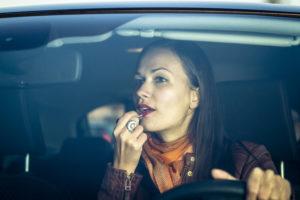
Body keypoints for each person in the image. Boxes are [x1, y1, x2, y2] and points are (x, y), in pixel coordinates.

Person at [98, 40, 292, 200]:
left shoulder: (245, 158)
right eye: (140, 80)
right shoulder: (121, 158)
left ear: (195, 97)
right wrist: (121, 170)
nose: (140, 91)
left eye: (160, 79)